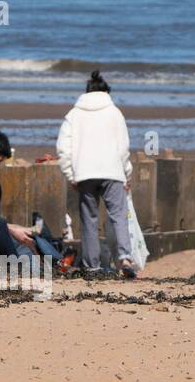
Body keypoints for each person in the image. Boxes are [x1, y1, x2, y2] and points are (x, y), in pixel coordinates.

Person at [56, 70, 135, 277]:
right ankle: (125, 259)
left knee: (88, 219)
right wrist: (127, 174)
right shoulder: (115, 112)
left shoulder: (74, 114)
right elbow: (123, 148)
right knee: (118, 216)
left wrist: (70, 174)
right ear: (106, 92)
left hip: (84, 173)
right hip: (113, 172)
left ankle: (92, 265)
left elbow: (63, 149)